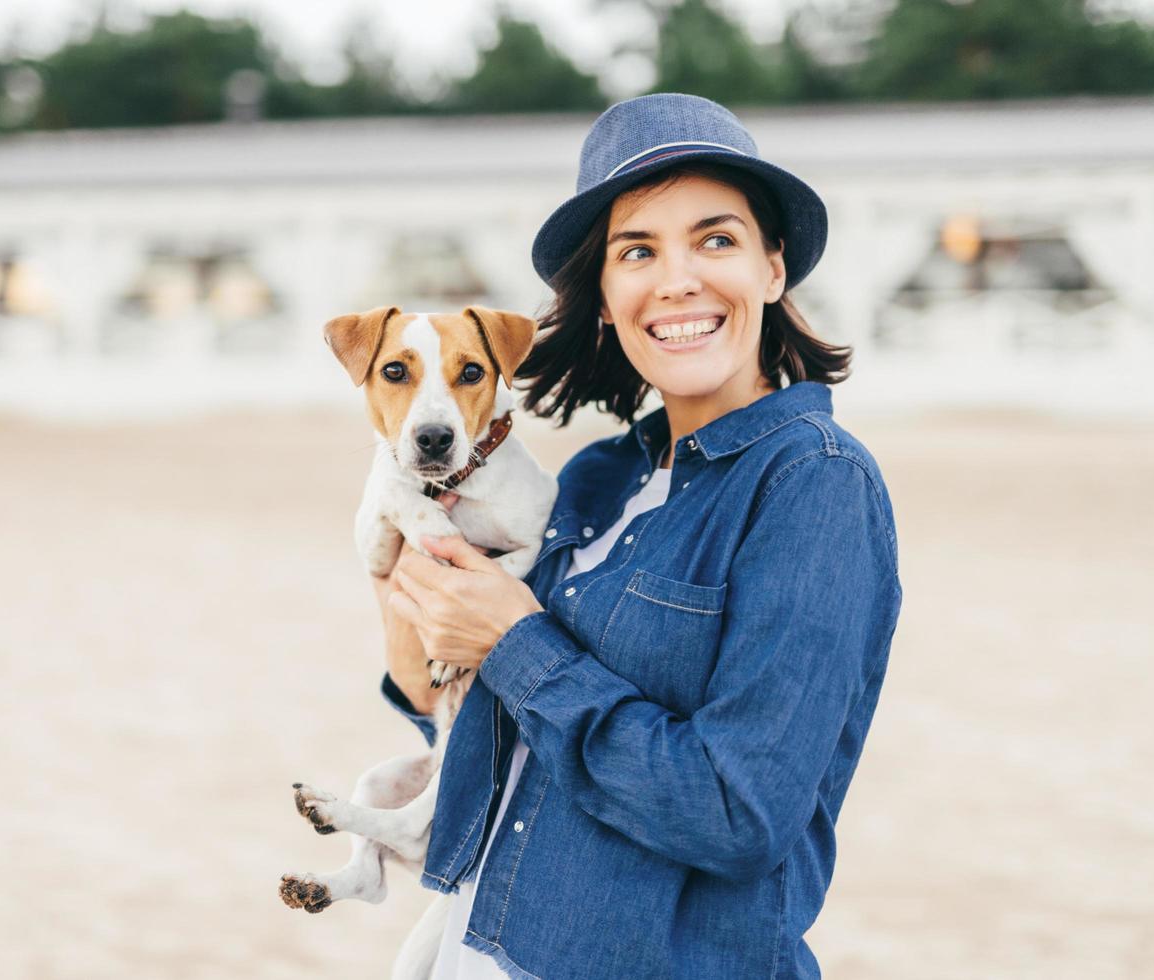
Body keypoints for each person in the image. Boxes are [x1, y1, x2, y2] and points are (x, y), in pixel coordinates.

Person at [374, 93, 903, 979]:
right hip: (479, 946)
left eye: (717, 239)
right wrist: (408, 582)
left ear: (774, 269)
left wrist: (515, 640)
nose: (678, 279)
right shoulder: (594, 477)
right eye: (637, 251)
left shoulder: (814, 483)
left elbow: (739, 813)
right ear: (607, 300)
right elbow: (442, 702)